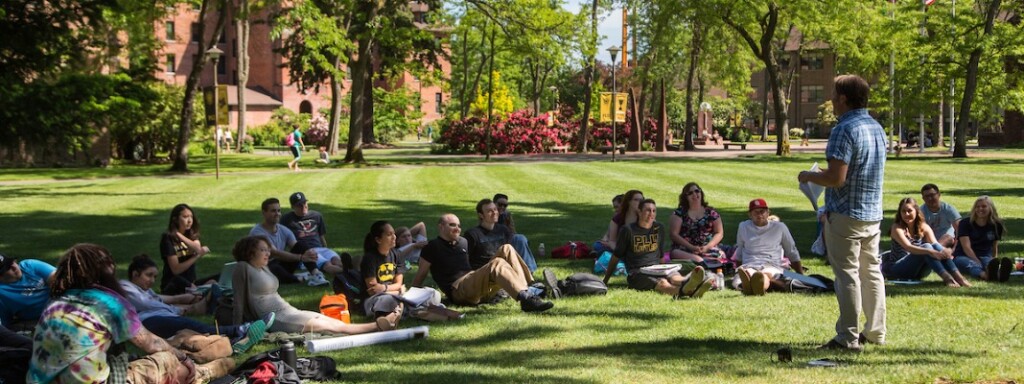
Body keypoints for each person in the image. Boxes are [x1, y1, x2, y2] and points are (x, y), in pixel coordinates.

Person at [28, 243, 232, 384]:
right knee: (169, 360)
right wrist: (182, 359)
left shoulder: (54, 303)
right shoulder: (108, 302)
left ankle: (203, 353)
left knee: (159, 350)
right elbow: (151, 344)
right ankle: (203, 372)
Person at [798, 74, 887, 351]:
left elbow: (837, 178)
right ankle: (875, 332)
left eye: (834, 95)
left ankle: (847, 337)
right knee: (871, 272)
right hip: (872, 213)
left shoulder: (843, 129)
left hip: (846, 213)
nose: (832, 100)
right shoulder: (876, 127)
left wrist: (809, 177)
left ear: (844, 98)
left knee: (847, 274)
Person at [231, 235, 395, 334]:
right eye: (263, 250)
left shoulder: (263, 267)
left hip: (289, 310)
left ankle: (380, 324)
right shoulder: (242, 268)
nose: (268, 253)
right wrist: (236, 329)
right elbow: (239, 300)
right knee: (326, 327)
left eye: (268, 250)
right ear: (250, 252)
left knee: (325, 320)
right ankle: (376, 326)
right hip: (276, 319)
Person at [120, 254, 274, 352]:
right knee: (195, 326)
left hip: (161, 316)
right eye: (149, 275)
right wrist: (181, 308)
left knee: (195, 331)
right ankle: (240, 329)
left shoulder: (145, 290)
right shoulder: (125, 287)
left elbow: (157, 300)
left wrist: (182, 302)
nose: (153, 280)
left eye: (154, 276)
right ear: (135, 274)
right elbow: (147, 304)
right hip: (148, 322)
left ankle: (234, 340)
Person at [411, 214, 553, 313]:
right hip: (459, 290)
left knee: (506, 248)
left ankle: (528, 290)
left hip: (473, 282)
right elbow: (420, 275)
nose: (457, 228)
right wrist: (410, 299)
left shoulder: (463, 242)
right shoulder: (432, 247)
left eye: (459, 225)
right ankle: (526, 299)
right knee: (497, 262)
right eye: (452, 225)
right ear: (441, 227)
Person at [602, 199, 713, 299]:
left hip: (657, 268)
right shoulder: (628, 230)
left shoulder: (659, 228)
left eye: (654, 211)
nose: (651, 214)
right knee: (662, 282)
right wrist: (605, 280)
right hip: (637, 273)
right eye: (648, 210)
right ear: (639, 212)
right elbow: (616, 256)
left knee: (674, 277)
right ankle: (685, 292)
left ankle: (689, 283)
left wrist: (666, 268)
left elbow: (660, 255)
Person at [883, 198, 970, 288]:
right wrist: (929, 251)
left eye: (909, 211)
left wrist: (945, 251)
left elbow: (936, 245)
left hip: (918, 271)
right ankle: (948, 278)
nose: (906, 214)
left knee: (932, 246)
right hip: (897, 269)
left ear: (916, 211)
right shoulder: (897, 228)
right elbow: (908, 247)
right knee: (927, 247)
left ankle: (959, 277)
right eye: (903, 211)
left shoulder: (923, 227)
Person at [732, 199, 805, 296]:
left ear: (768, 213)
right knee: (743, 276)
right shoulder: (743, 226)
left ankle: (752, 286)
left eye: (762, 211)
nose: (759, 215)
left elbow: (791, 251)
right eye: (756, 212)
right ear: (750, 214)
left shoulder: (780, 227)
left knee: (766, 274)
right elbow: (740, 249)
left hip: (771, 264)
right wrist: (738, 266)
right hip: (750, 264)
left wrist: (800, 275)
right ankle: (752, 284)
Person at [250, 198, 318, 284]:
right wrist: (301, 257)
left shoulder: (283, 229)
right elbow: (274, 253)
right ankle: (298, 279)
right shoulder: (257, 232)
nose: (277, 214)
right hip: (263, 267)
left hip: (279, 263)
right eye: (273, 211)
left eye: (279, 211)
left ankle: (316, 273)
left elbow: (296, 246)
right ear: (264, 213)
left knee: (301, 245)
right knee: (274, 268)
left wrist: (309, 253)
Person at [279, 192, 338, 286]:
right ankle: (353, 272)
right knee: (328, 265)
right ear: (293, 207)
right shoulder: (286, 220)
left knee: (336, 260)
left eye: (304, 203)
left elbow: (321, 236)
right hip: (306, 252)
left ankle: (353, 270)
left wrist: (326, 249)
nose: (303, 206)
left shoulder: (316, 216)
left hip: (322, 249)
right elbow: (282, 239)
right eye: (299, 205)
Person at [466, 199, 537, 273]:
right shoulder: (473, 234)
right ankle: (528, 280)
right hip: (485, 271)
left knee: (519, 239)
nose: (494, 213)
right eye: (489, 211)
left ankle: (529, 274)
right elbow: (466, 259)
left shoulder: (502, 230)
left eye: (495, 209)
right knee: (507, 248)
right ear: (481, 215)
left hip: (503, 267)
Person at [160, 204, 217, 295]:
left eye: (191, 217)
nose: (189, 220)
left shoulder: (192, 235)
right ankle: (199, 295)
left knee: (218, 279)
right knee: (180, 280)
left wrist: (180, 235)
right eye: (185, 217)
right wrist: (196, 256)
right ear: (175, 219)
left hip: (191, 283)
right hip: (174, 284)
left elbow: (197, 249)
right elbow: (176, 270)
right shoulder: (168, 238)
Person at [952, 196, 1010, 282]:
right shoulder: (965, 223)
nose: (980, 209)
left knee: (988, 264)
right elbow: (966, 247)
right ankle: (986, 276)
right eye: (977, 207)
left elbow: (994, 246)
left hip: (985, 255)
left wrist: (994, 260)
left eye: (984, 206)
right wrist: (976, 261)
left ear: (990, 208)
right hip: (963, 256)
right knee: (973, 265)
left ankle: (998, 274)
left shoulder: (996, 225)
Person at [360, 221, 408, 320]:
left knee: (432, 293)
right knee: (388, 300)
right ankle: (395, 315)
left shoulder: (397, 254)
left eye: (394, 233)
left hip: (392, 294)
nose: (394, 237)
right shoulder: (369, 258)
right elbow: (372, 291)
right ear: (378, 240)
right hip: (374, 300)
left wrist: (383, 288)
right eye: (389, 234)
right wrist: (397, 292)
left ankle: (396, 313)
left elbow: (399, 284)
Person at [669, 182, 727, 263]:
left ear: (701, 193)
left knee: (721, 255)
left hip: (707, 247)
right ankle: (702, 262)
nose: (694, 194)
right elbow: (674, 234)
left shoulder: (711, 212)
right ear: (685, 197)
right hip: (685, 248)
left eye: (697, 191)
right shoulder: (679, 213)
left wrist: (707, 247)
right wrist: (691, 247)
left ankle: (702, 262)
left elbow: (719, 232)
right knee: (675, 253)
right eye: (690, 193)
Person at [0, 252, 55, 326]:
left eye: (11, 262)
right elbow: (4, 325)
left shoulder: (29, 265)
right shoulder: (2, 294)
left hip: (62, 305)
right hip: (38, 322)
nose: (14, 266)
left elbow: (59, 280)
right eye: (8, 268)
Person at [493, 193, 538, 272]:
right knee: (519, 239)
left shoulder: (506, 215)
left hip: (506, 240)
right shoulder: (489, 214)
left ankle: (529, 270)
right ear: (494, 204)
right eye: (500, 205)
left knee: (520, 238)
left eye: (505, 205)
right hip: (493, 243)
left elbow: (512, 231)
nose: (502, 207)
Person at [595, 190, 644, 255]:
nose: (640, 202)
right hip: (620, 248)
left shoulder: (646, 217)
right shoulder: (617, 219)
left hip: (640, 251)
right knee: (598, 245)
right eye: (636, 200)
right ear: (628, 202)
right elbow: (611, 240)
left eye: (642, 200)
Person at [920, 184, 961, 248]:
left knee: (947, 237)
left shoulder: (948, 209)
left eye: (932, 195)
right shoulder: (921, 212)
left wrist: (956, 247)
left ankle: (935, 251)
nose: (930, 198)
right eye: (927, 196)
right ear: (923, 198)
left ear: (939, 194)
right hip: (929, 240)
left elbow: (960, 228)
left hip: (947, 239)